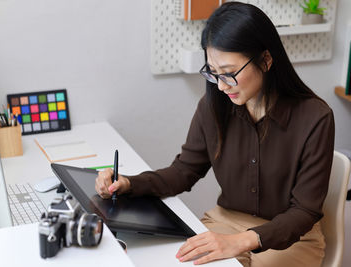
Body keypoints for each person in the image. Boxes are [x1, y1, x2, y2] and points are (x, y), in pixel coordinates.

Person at [95, 2, 334, 266]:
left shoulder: (315, 118)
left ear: (266, 60)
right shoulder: (213, 107)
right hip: (226, 221)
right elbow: (183, 172)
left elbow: (304, 212)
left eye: (230, 73)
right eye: (213, 73)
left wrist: (243, 240)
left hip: (292, 237)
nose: (220, 86)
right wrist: (129, 183)